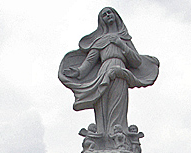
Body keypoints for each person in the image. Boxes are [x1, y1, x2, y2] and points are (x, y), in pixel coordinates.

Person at [59, 7, 159, 143]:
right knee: (102, 106)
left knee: (117, 106)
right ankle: (102, 136)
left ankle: (118, 135)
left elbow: (136, 61)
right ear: (102, 21)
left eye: (109, 13)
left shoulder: (124, 39)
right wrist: (79, 72)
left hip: (120, 74)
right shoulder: (100, 41)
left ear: (115, 16)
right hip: (103, 73)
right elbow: (90, 61)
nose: (107, 16)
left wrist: (120, 44)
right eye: (104, 15)